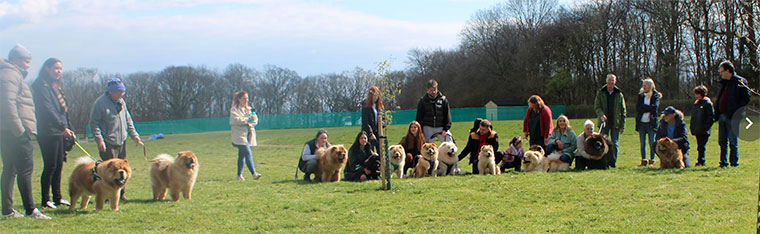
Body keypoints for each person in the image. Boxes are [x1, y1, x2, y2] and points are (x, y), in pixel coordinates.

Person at [0, 44, 51, 219]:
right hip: (14, 131)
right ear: (15, 59)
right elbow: (8, 104)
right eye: (26, 61)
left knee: (10, 168)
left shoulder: (8, 73)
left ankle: (7, 210)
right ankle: (31, 210)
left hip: (6, 130)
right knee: (25, 169)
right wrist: (20, 130)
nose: (28, 65)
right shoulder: (10, 74)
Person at [89, 77, 143, 201]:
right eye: (118, 91)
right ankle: (107, 196)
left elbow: (128, 120)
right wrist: (99, 140)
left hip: (121, 141)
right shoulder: (100, 103)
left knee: (122, 170)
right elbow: (94, 123)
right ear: (110, 91)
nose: (121, 94)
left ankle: (121, 194)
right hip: (108, 142)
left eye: (122, 91)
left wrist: (134, 135)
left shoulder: (122, 102)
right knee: (109, 171)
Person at [31, 58, 74, 209]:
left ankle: (58, 197)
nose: (58, 71)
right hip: (48, 131)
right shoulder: (41, 85)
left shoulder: (57, 86)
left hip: (60, 131)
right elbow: (47, 109)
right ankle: (45, 200)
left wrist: (68, 127)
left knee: (59, 165)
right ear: (47, 68)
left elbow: (63, 111)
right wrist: (63, 127)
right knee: (50, 166)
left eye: (60, 68)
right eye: (55, 68)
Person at [714, 60, 750, 167]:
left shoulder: (740, 82)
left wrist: (736, 111)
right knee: (722, 141)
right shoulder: (723, 83)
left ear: (728, 71)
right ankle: (723, 162)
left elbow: (746, 98)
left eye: (722, 71)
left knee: (733, 141)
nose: (721, 74)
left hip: (733, 116)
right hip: (722, 115)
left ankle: (734, 162)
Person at [593, 73, 626, 168]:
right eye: (609, 81)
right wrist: (601, 115)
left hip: (615, 122)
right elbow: (597, 106)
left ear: (615, 82)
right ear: (606, 81)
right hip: (604, 122)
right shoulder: (601, 92)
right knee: (602, 142)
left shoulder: (618, 94)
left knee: (614, 143)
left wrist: (622, 125)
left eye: (612, 81)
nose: (611, 83)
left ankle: (613, 162)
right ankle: (603, 161)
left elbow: (623, 110)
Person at [229, 91, 261, 181]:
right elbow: (236, 120)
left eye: (247, 98)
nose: (246, 100)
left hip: (248, 135)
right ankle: (254, 174)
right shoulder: (234, 109)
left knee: (241, 155)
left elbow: (255, 120)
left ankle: (239, 176)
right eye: (244, 99)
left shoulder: (250, 109)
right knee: (247, 153)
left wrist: (250, 120)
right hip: (239, 136)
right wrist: (248, 119)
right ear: (239, 99)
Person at [635, 78, 661, 167]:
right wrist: (647, 108)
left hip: (651, 122)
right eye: (643, 85)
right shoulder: (641, 95)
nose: (643, 87)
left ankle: (652, 160)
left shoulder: (655, 96)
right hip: (641, 122)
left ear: (650, 86)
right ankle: (643, 160)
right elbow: (638, 108)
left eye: (645, 85)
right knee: (642, 143)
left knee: (652, 142)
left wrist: (644, 107)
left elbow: (654, 107)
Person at [690, 85, 714, 167]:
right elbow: (693, 117)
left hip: (704, 130)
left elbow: (711, 117)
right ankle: (700, 160)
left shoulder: (707, 104)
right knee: (698, 146)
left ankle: (701, 161)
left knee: (701, 146)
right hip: (697, 128)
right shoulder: (696, 104)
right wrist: (692, 127)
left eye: (698, 94)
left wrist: (706, 127)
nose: (696, 96)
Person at [361, 86, 384, 152]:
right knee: (370, 151)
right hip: (369, 133)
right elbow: (365, 121)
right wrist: (371, 133)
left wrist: (382, 125)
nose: (376, 97)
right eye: (374, 95)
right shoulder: (365, 105)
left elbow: (383, 118)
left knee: (380, 152)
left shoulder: (380, 106)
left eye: (377, 95)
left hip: (378, 132)